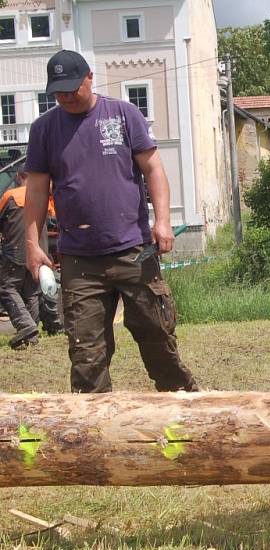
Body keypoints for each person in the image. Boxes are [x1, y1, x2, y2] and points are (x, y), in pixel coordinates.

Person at [24, 49, 198, 393]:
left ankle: (187, 413)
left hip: (134, 252)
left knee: (157, 338)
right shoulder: (44, 129)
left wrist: (162, 221)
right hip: (80, 260)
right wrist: (32, 244)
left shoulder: (123, 114)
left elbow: (153, 169)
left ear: (90, 76)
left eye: (73, 87)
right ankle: (91, 434)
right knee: (87, 356)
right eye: (59, 91)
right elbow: (37, 192)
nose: (67, 96)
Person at [0, 169, 62, 349]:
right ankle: (31, 333)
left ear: (20, 177)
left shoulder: (10, 195)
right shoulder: (44, 199)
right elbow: (52, 219)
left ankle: (26, 326)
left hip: (17, 252)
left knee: (7, 288)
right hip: (41, 252)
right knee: (31, 292)